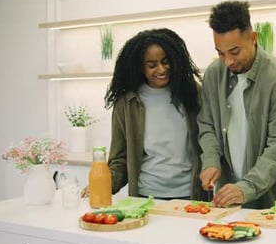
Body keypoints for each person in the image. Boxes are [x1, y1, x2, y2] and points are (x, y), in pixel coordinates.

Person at [197, 0, 276, 209]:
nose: (228, 61)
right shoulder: (213, 74)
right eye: (220, 53)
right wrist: (210, 160)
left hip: (270, 202)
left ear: (253, 38)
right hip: (226, 199)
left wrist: (246, 187)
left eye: (234, 52)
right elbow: (206, 124)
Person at [87, 28, 208, 201]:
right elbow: (120, 158)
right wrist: (103, 186)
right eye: (152, 65)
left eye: (166, 62)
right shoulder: (127, 103)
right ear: (140, 67)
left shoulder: (193, 93)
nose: (161, 69)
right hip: (145, 196)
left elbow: (209, 141)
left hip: (191, 195)